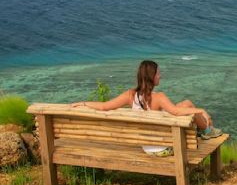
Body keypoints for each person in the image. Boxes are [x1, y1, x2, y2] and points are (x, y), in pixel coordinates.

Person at [71, 60, 222, 156]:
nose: (160, 76)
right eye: (158, 73)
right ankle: (208, 131)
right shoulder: (159, 97)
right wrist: (200, 110)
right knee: (188, 106)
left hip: (148, 147)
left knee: (185, 104)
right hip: (166, 147)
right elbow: (176, 112)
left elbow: (104, 107)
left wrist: (83, 103)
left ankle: (207, 131)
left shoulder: (130, 95)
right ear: (152, 77)